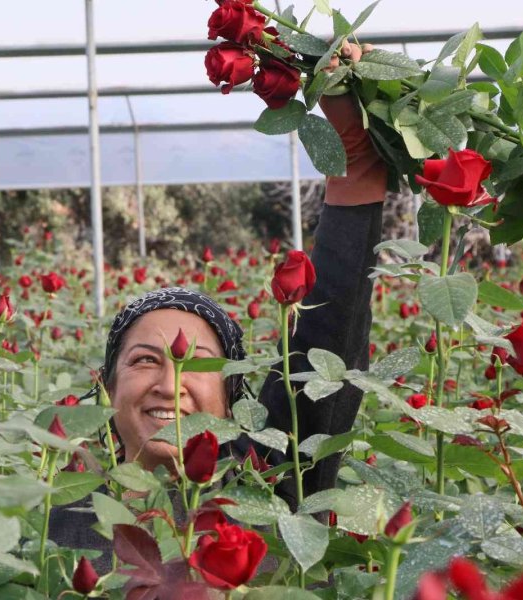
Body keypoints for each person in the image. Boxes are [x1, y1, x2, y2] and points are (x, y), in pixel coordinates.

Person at [50, 42, 387, 564]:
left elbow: (328, 342)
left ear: (230, 401)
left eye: (198, 363)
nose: (169, 382)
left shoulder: (269, 492)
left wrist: (354, 159)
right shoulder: (64, 519)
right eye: (143, 360)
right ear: (106, 387)